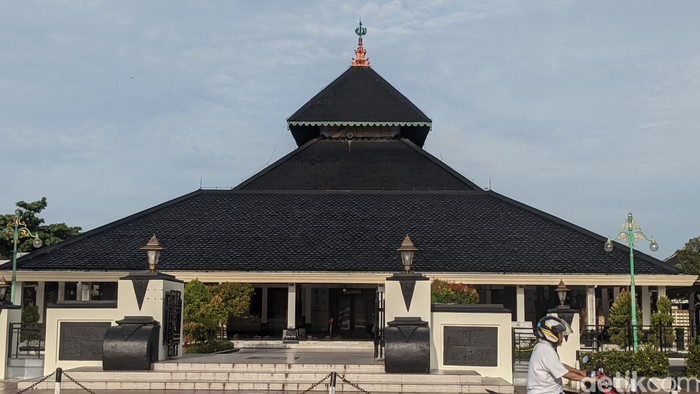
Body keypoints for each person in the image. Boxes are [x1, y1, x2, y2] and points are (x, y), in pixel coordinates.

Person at [527, 316, 588, 394]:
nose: (562, 336)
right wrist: (586, 379)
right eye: (560, 333)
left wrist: (579, 372)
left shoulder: (542, 347)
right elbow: (565, 374)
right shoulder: (546, 350)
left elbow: (558, 365)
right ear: (552, 333)